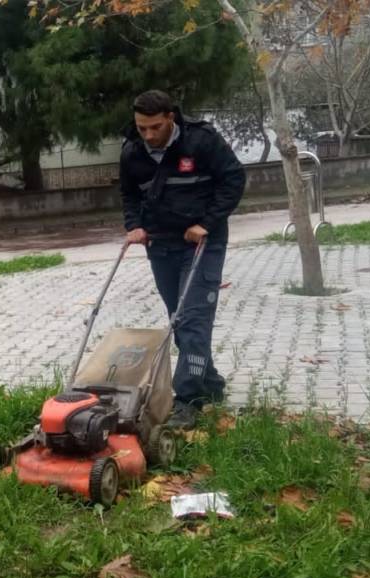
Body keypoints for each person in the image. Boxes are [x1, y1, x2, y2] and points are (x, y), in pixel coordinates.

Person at [120, 90, 246, 429]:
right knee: (180, 319)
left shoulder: (201, 141)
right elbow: (129, 195)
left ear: (171, 117)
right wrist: (135, 226)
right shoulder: (132, 152)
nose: (148, 135)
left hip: (202, 242)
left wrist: (206, 222)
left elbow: (234, 180)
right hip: (160, 244)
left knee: (192, 318)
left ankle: (188, 399)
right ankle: (211, 385)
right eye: (142, 128)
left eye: (155, 127)